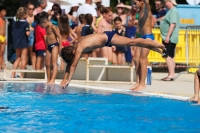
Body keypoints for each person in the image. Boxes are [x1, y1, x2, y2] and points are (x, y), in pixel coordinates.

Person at [59, 31, 164, 88]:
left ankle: (152, 42)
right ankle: (152, 46)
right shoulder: (77, 45)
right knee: (132, 42)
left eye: (73, 57)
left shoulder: (79, 48)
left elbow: (73, 65)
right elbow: (70, 64)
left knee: (131, 42)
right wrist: (64, 80)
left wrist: (68, 81)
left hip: (108, 38)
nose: (76, 58)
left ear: (73, 53)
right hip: (107, 39)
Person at [131, 0, 156, 91]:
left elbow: (147, 1)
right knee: (136, 59)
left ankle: (142, 83)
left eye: (135, 3)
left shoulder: (146, 9)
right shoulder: (139, 11)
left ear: (142, 2)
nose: (134, 5)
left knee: (142, 59)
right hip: (141, 37)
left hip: (148, 37)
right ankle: (137, 81)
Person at [39, 11, 62, 84]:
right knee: (47, 64)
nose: (42, 27)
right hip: (48, 46)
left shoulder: (53, 27)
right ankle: (49, 80)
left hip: (54, 45)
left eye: (42, 25)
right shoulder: (46, 28)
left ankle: (53, 80)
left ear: (45, 22)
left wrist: (60, 47)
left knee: (54, 63)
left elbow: (60, 37)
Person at [160, 0, 180, 81]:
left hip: (169, 38)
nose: (165, 4)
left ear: (170, 2)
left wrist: (167, 36)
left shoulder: (173, 11)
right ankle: (171, 74)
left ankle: (171, 75)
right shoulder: (172, 11)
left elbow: (173, 24)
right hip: (170, 38)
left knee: (167, 56)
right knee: (170, 56)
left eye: (166, 2)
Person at [11, 7, 30, 78]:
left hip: (16, 42)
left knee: (17, 58)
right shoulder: (26, 23)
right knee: (23, 59)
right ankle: (22, 75)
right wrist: (29, 29)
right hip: (23, 42)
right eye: (27, 14)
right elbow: (27, 33)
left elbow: (15, 17)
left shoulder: (15, 21)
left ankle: (12, 74)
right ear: (24, 14)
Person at [26, 3, 36, 69]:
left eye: (33, 9)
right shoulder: (24, 16)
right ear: (27, 9)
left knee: (32, 52)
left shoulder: (35, 17)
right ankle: (24, 67)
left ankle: (34, 67)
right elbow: (17, 20)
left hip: (33, 34)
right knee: (25, 53)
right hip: (25, 35)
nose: (31, 10)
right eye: (30, 9)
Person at [0, 6, 7, 71]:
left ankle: (2, 65)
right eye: (3, 11)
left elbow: (5, 30)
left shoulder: (4, 20)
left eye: (5, 11)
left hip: (3, 37)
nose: (4, 13)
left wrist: (6, 38)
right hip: (0, 36)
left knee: (2, 53)